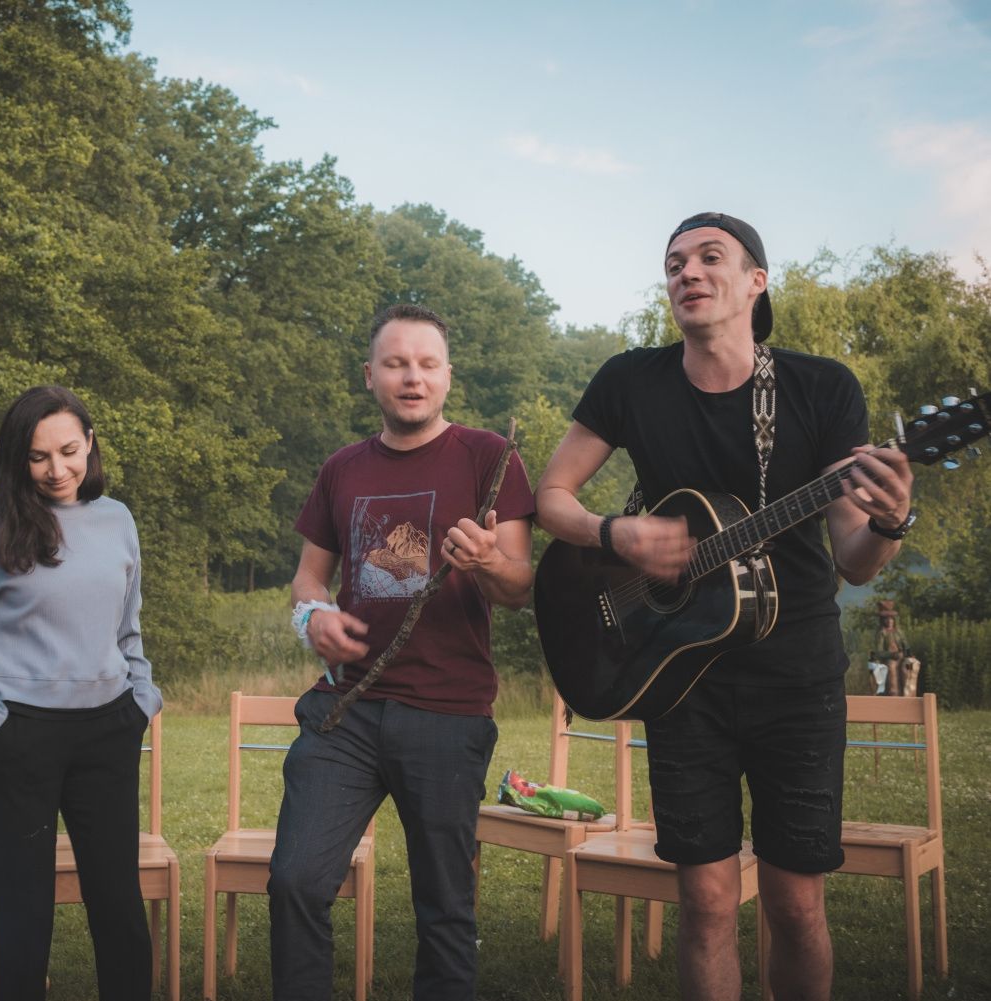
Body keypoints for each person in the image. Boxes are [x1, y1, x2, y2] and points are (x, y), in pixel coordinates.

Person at [536, 212, 915, 1001]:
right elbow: (552, 497)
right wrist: (614, 532)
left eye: (711, 257)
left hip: (796, 676)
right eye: (675, 262)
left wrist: (889, 522)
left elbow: (853, 559)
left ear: (755, 282)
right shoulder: (630, 380)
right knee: (706, 901)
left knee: (796, 904)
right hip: (679, 673)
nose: (688, 272)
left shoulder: (822, 388)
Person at [270, 303, 535, 1001]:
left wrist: (486, 561)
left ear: (448, 375)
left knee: (445, 906)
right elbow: (308, 577)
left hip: (448, 711)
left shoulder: (488, 457)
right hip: (346, 711)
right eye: (395, 364)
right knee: (295, 879)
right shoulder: (341, 468)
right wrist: (313, 617)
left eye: (426, 364)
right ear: (370, 375)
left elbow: (519, 586)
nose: (411, 377)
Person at [0, 385, 161, 1001]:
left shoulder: (117, 520)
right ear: (17, 458)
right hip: (18, 735)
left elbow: (128, 626)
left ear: (91, 444)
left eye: (69, 451)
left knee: (119, 904)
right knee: (22, 911)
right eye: (38, 456)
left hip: (109, 731)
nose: (57, 469)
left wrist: (141, 698)